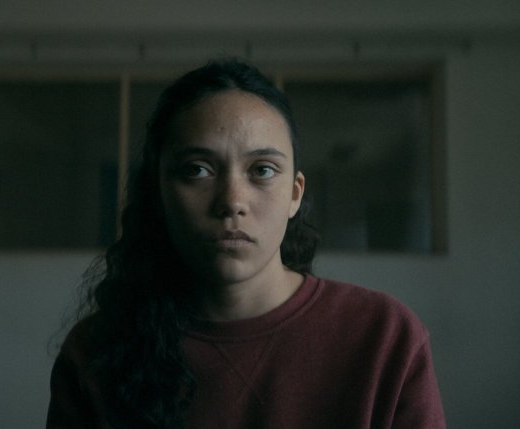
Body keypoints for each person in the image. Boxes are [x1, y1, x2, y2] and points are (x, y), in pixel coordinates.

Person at [46, 58, 445, 429]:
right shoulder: (94, 355)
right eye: (197, 169)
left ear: (294, 194)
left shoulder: (384, 338)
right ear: (158, 191)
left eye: (262, 170)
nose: (232, 201)